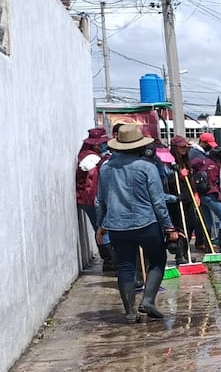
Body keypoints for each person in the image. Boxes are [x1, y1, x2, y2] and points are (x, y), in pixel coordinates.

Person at [95, 125, 179, 322]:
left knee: (125, 267)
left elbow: (100, 200)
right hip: (146, 223)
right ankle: (148, 300)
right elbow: (158, 202)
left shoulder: (106, 168)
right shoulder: (147, 167)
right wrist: (169, 227)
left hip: (117, 226)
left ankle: (130, 313)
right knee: (157, 260)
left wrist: (101, 225)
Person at [76, 127, 114, 270]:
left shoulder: (93, 157)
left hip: (93, 198)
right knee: (101, 228)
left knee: (102, 228)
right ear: (96, 144)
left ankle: (110, 259)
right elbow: (92, 182)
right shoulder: (89, 158)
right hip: (91, 199)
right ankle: (109, 259)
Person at [191, 146, 221, 252]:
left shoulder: (203, 162)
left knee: (207, 221)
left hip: (201, 196)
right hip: (212, 195)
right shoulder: (220, 167)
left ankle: (208, 246)